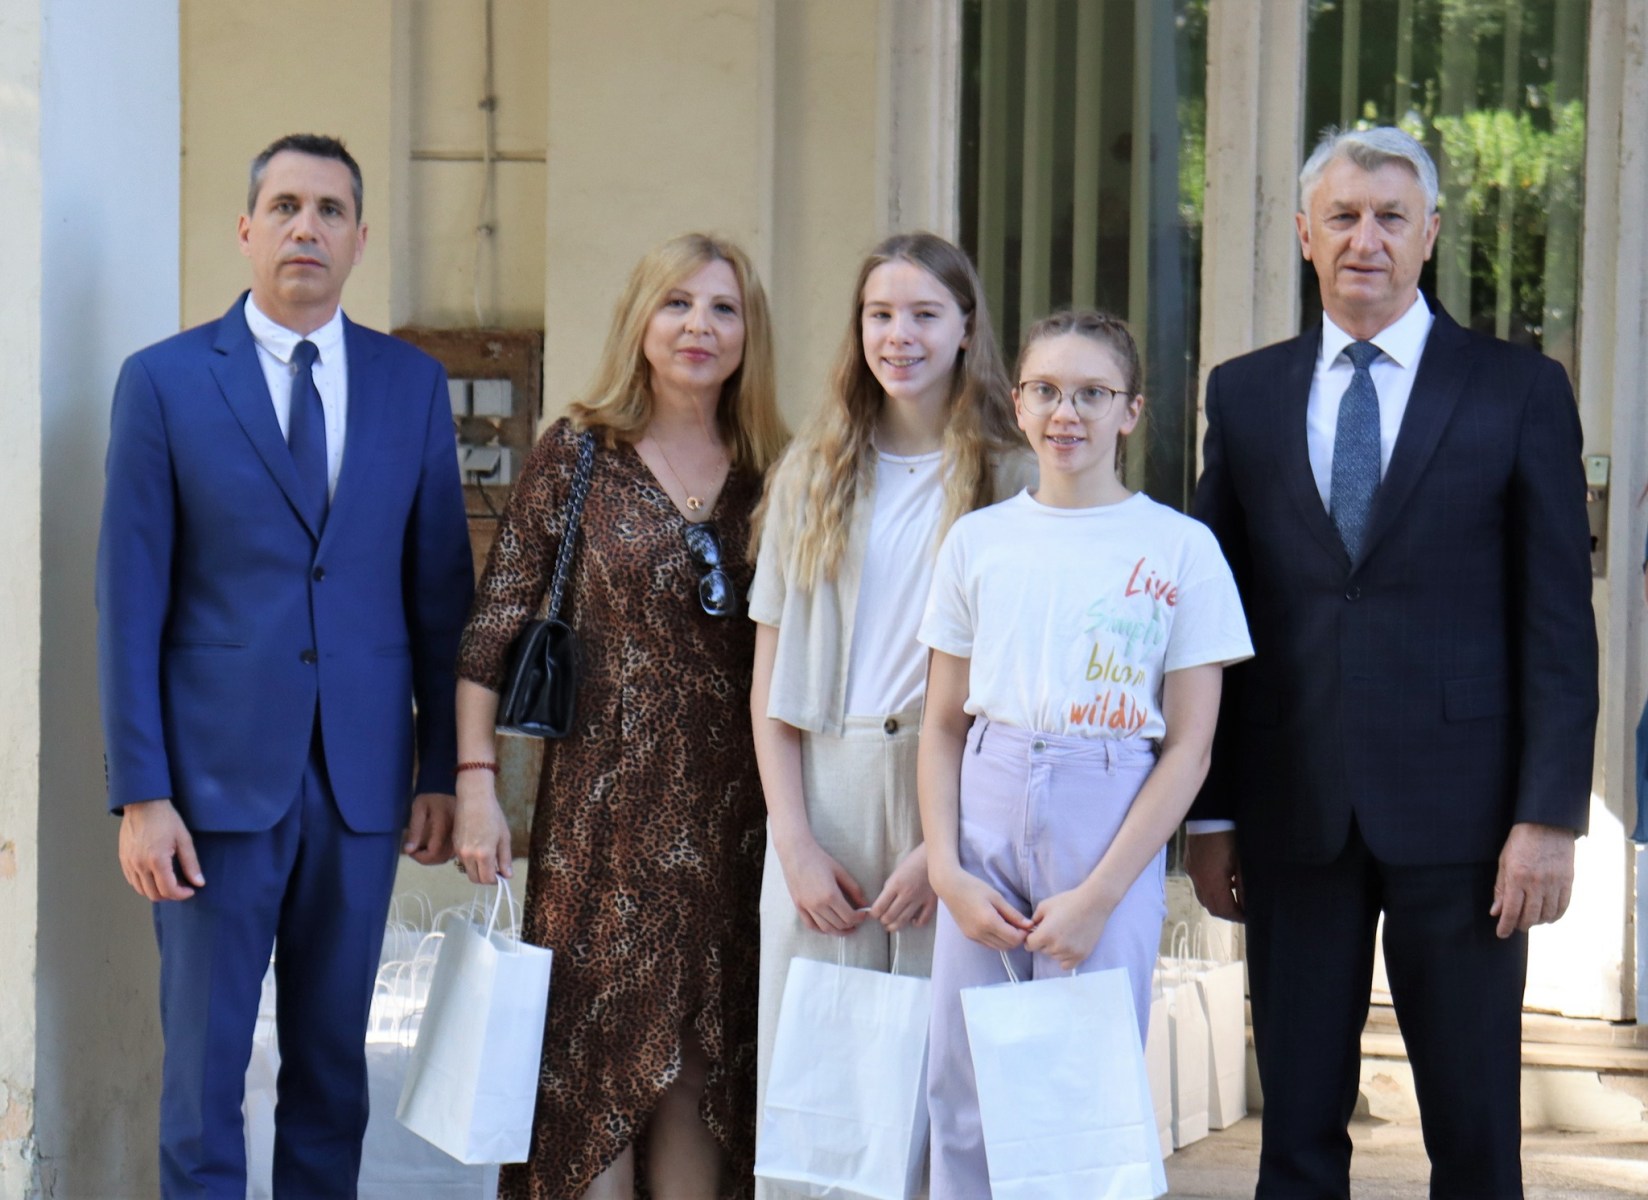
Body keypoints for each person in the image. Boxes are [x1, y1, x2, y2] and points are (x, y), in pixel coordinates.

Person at [1187, 126, 1598, 1198]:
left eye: (1389, 218)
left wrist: (1547, 816)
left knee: (1474, 1135)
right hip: (1293, 813)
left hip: (1466, 823)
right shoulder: (1245, 396)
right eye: (1342, 216)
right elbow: (1213, 624)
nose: (1364, 239)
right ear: (1304, 234)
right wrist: (1213, 813)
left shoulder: (1518, 390)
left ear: (1430, 235)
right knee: (1295, 1136)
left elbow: (1558, 622)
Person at [96, 133, 474, 1197]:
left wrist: (440, 771)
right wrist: (142, 794)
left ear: (359, 239)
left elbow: (439, 596)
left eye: (330, 211)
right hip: (208, 790)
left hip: (359, 785)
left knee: (332, 1072)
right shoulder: (164, 382)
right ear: (246, 229)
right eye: (286, 206)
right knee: (203, 1076)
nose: (307, 227)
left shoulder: (410, 386)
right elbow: (129, 601)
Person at [452, 232, 786, 1200]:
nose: (697, 326)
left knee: (697, 1070)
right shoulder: (579, 453)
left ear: (749, 333)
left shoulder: (778, 471)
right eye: (676, 303)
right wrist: (476, 786)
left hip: (733, 823)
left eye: (722, 308)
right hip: (600, 825)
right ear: (641, 320)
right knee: (590, 1067)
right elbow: (492, 630)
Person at [918, 310, 1253, 1195]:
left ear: (1131, 410)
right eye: (1047, 391)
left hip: (1105, 813)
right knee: (964, 1084)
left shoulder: (1180, 548)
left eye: (1092, 394)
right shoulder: (978, 541)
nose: (1067, 413)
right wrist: (947, 868)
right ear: (1018, 403)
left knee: (1080, 1084)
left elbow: (1190, 747)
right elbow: (944, 723)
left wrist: (1102, 893)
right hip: (987, 805)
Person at [747, 232, 1032, 1197]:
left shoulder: (1011, 478)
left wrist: (939, 851)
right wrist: (793, 841)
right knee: (816, 1083)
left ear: (966, 329)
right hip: (825, 787)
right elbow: (769, 684)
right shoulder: (812, 471)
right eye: (880, 315)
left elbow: (1013, 687)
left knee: (931, 1087)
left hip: (950, 796)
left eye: (923, 314)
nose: (899, 335)